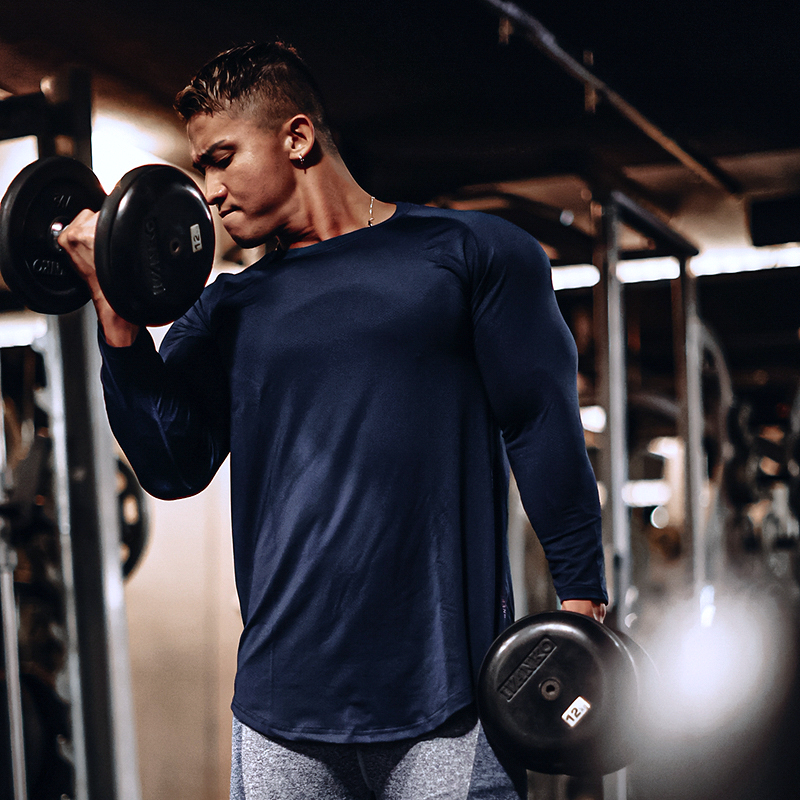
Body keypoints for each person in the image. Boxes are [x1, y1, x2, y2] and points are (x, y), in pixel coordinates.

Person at [59, 41, 607, 800]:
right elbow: (169, 466)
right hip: (282, 708)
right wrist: (116, 315)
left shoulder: (467, 254)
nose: (209, 192)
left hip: (446, 699)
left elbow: (539, 422)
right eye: (200, 168)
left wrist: (581, 594)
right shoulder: (226, 310)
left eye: (222, 158)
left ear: (297, 137)